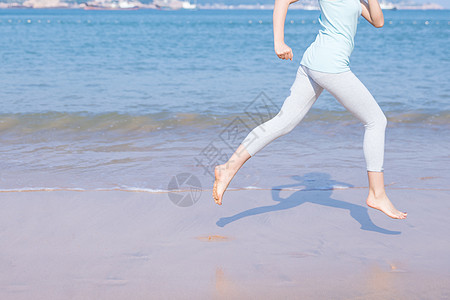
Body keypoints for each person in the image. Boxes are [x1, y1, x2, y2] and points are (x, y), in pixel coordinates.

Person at [212, 0, 407, 219]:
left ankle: (228, 167)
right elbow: (282, 0)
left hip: (314, 63)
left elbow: (378, 21)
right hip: (330, 66)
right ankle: (376, 193)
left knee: (283, 122)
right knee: (376, 121)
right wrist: (279, 42)